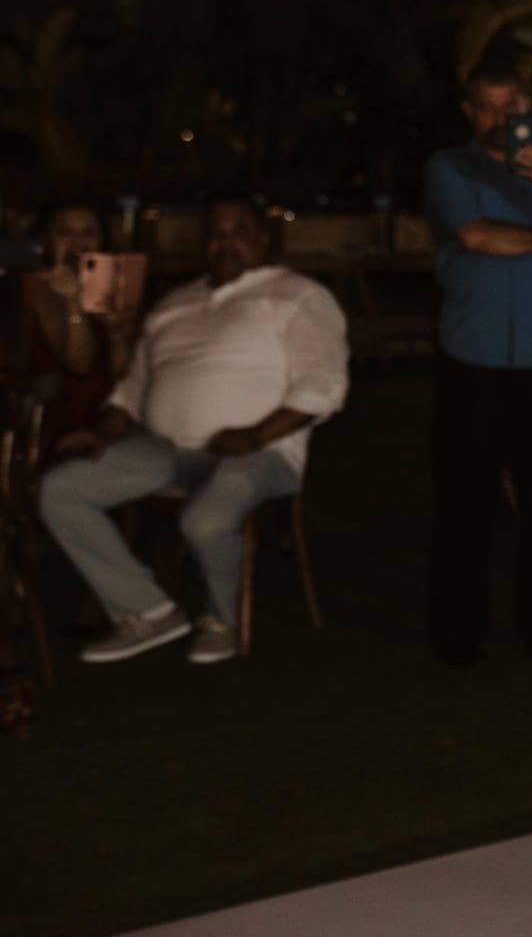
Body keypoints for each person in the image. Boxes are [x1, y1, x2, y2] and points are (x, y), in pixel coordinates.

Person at [36, 195, 348, 666]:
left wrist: (255, 436)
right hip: (167, 449)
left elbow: (322, 384)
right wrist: (104, 430)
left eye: (239, 231)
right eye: (216, 233)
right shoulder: (175, 304)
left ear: (262, 240)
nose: (227, 242)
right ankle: (148, 609)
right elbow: (133, 389)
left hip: (260, 452)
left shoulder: (297, 294)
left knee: (203, 520)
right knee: (60, 490)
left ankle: (221, 620)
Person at [423, 58, 532, 664]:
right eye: (490, 107)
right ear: (470, 112)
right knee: (465, 503)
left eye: (512, 107)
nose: (503, 119)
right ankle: (458, 632)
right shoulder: (450, 167)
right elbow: (476, 238)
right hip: (472, 363)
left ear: (529, 109)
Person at [4, 198, 141, 463]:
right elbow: (79, 363)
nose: (78, 242)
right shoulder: (36, 283)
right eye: (65, 232)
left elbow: (123, 371)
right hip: (47, 418)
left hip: (106, 416)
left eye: (89, 232)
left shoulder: (112, 281)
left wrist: (116, 333)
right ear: (46, 239)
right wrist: (74, 306)